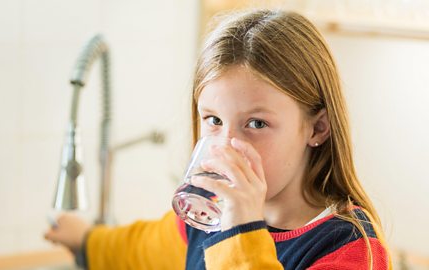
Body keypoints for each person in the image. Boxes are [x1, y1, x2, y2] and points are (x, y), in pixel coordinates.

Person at [45, 9, 391, 270]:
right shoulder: (208, 215)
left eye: (256, 123)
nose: (226, 145)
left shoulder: (351, 251)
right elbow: (144, 250)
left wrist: (241, 230)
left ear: (317, 129)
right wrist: (85, 240)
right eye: (213, 120)